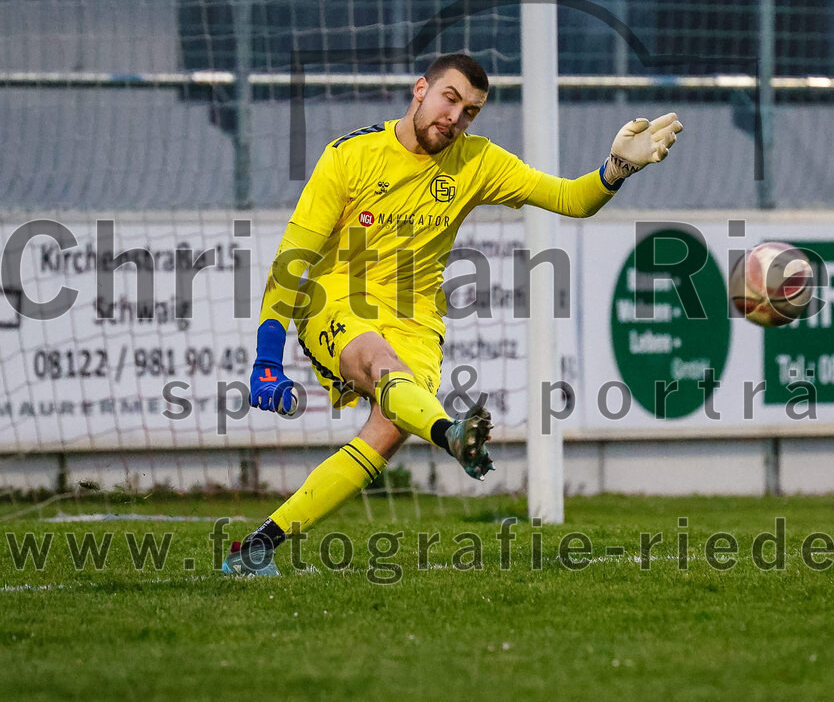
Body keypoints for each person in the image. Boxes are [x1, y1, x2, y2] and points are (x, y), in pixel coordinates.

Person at [222, 53, 682, 575]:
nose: (456, 117)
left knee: (388, 429)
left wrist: (617, 168)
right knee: (381, 365)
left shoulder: (476, 160)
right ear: (420, 89)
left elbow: (570, 199)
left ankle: (256, 549)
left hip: (416, 319)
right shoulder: (349, 156)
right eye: (450, 99)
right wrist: (266, 360)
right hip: (337, 298)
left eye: (470, 111)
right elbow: (292, 260)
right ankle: (449, 434)